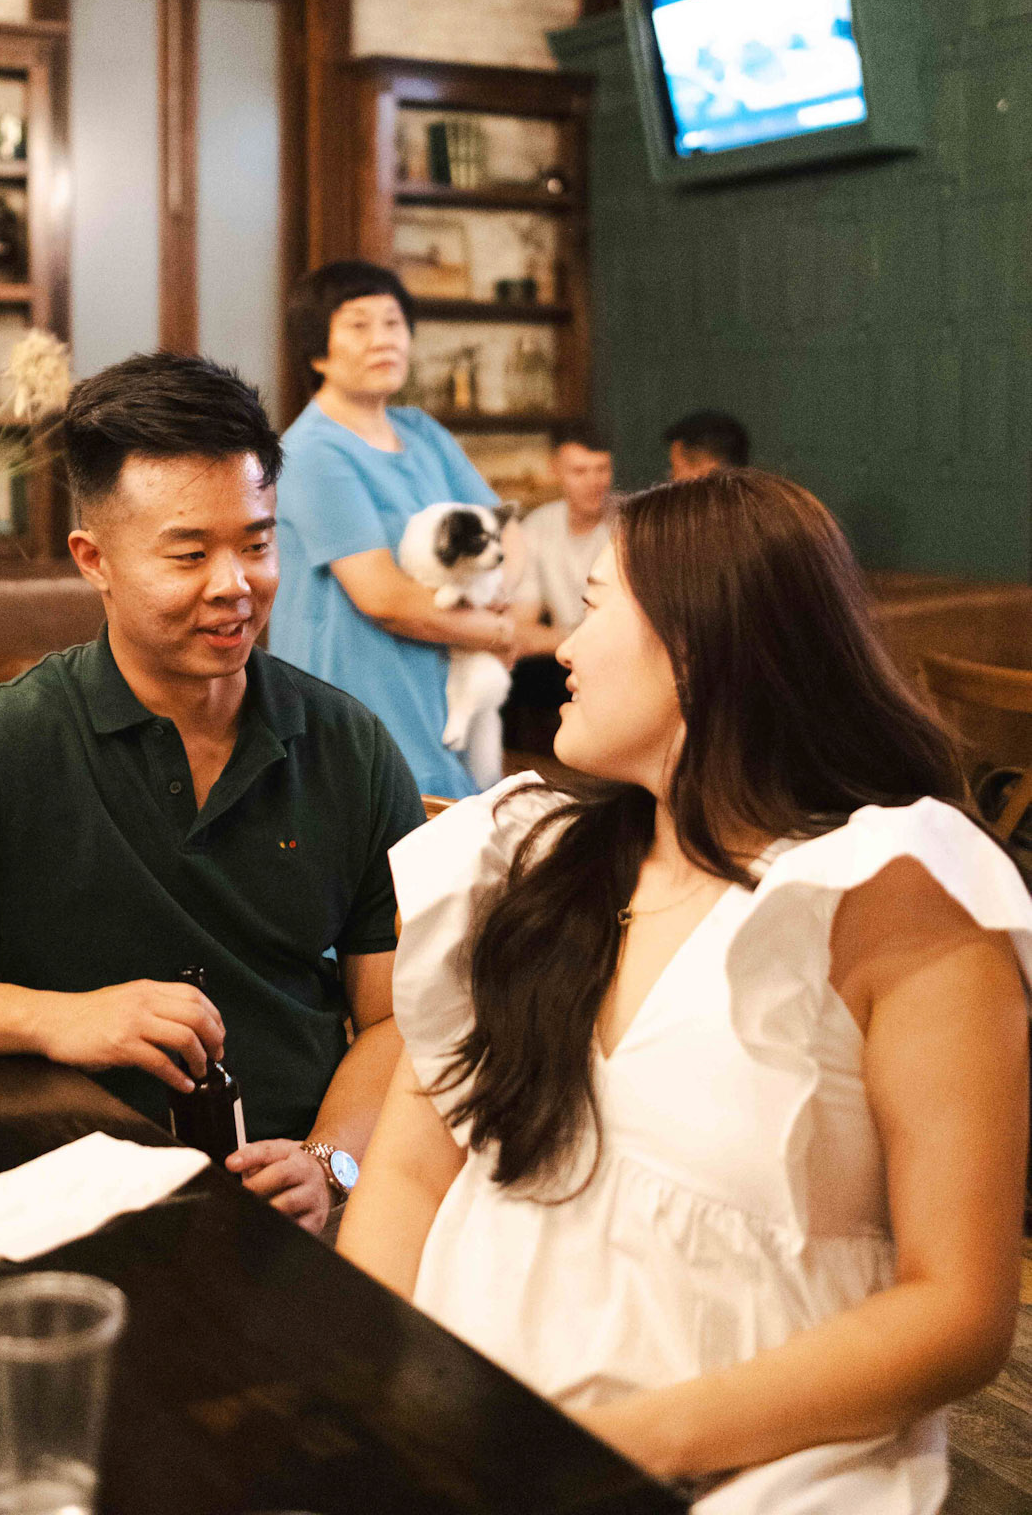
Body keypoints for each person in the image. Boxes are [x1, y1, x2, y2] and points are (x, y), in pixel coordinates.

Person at [340, 469, 1032, 1510]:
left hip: (753, 1468)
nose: (563, 648)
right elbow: (404, 1173)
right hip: (457, 1441)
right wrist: (377, 1402)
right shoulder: (527, 867)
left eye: (593, 607)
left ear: (699, 646)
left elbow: (958, 1312)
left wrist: (607, 1448)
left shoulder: (893, 895)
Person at [0, 351, 423, 1235]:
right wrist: (57, 1019)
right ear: (93, 560)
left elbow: (397, 1019)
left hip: (299, 1209)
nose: (234, 584)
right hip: (73, 1201)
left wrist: (329, 1164)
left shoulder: (347, 744)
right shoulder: (12, 740)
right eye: (189, 553)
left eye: (256, 543)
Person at [268, 260, 518, 801]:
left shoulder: (423, 432)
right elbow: (384, 597)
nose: (383, 338)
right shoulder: (311, 451)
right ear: (316, 351)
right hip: (358, 710)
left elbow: (508, 534)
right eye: (359, 325)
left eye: (393, 322)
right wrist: (498, 631)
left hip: (442, 703)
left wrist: (498, 599)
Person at [506, 421, 613, 741]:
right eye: (580, 471)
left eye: (602, 469)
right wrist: (568, 638)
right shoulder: (538, 526)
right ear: (555, 471)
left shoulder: (629, 525)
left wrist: (554, 638)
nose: (593, 482)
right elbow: (521, 625)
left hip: (614, 655)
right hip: (564, 659)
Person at [664, 408, 750, 479]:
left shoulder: (697, 491)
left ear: (705, 469)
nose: (671, 477)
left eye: (675, 468)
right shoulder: (754, 493)